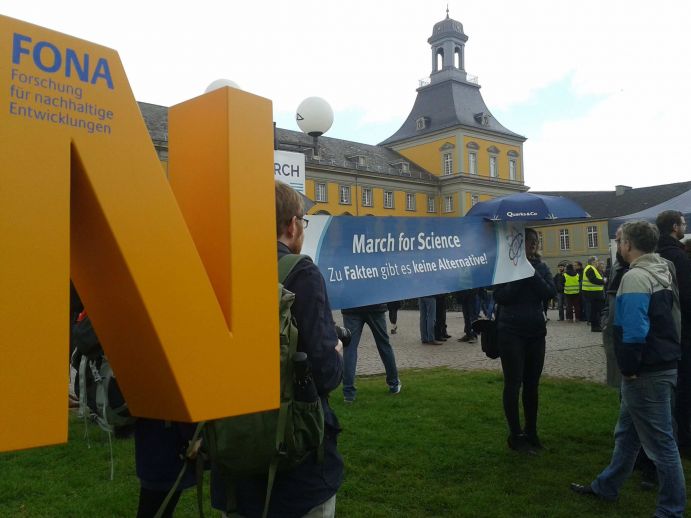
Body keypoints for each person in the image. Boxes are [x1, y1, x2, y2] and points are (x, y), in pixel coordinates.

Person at [214, 181, 344, 517]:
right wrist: (338, 351)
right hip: (294, 456)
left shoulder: (221, 268)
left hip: (233, 446)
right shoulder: (301, 273)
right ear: (291, 224)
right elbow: (326, 374)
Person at [571, 220, 685, 518]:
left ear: (628, 246)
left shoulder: (635, 277)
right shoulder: (663, 267)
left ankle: (671, 509)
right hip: (661, 363)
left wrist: (630, 368)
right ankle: (607, 486)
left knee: (662, 444)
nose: (619, 245)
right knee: (628, 433)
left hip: (645, 370)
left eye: (621, 241)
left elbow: (633, 330)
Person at [493, 228, 556, 453]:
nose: (532, 245)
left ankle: (531, 430)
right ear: (518, 245)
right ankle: (515, 434)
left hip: (535, 331)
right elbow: (501, 296)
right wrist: (519, 276)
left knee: (532, 384)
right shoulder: (505, 266)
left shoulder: (541, 267)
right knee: (513, 383)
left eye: (535, 242)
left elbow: (549, 292)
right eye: (528, 242)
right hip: (510, 331)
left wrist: (532, 273)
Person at [656, 210, 691, 452]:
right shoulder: (679, 257)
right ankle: (683, 439)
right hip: (682, 328)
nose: (685, 226)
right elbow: (687, 296)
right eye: (683, 223)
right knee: (684, 386)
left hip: (659, 329)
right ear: (674, 227)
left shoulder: (653, 253)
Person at [341, 304, 402, 403]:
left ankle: (348, 393)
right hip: (375, 305)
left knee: (350, 348)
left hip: (351, 306)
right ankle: (394, 384)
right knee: (384, 345)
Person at [582, 256, 605, 332]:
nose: (598, 262)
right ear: (593, 262)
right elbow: (592, 279)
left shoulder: (591, 268)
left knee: (595, 311)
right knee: (595, 311)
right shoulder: (590, 268)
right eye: (597, 261)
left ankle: (596, 326)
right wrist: (603, 281)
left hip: (594, 293)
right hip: (592, 293)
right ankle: (595, 326)